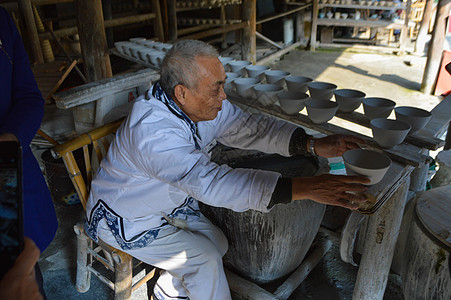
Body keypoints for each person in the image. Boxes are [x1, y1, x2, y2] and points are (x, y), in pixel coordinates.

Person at [85, 39, 369, 300]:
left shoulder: (192, 105)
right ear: (182, 92)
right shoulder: (152, 131)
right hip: (127, 215)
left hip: (166, 204)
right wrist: (306, 188)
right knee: (205, 260)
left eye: (222, 85)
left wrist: (311, 144)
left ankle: (168, 291)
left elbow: (246, 127)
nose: (223, 96)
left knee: (218, 243)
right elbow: (209, 184)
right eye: (215, 88)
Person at [0, 6, 58, 298]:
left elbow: (28, 97)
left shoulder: (1, 20)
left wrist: (10, 139)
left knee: (26, 274)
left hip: (7, 180)